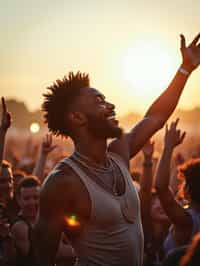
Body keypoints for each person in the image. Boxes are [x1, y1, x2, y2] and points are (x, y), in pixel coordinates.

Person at [32, 33, 200, 266]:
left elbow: (155, 116)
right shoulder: (62, 182)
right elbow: (42, 258)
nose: (111, 106)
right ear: (78, 117)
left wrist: (185, 69)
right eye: (100, 101)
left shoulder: (119, 153)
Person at [155, 119, 200, 255]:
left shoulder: (187, 221)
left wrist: (167, 147)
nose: (180, 185)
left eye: (184, 182)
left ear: (189, 190)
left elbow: (161, 188)